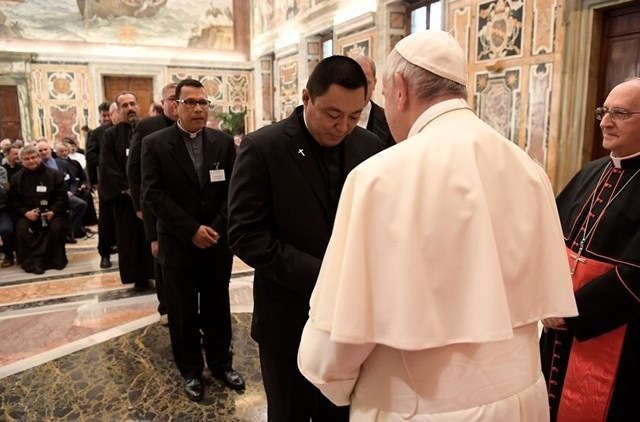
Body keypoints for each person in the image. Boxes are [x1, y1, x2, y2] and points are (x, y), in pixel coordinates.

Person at [296, 30, 578, 421]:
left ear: (399, 90)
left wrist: (330, 379)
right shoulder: (528, 169)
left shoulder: (379, 176)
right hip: (523, 401)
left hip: (422, 408)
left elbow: (339, 339)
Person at [227, 55, 386, 421]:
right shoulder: (263, 147)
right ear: (306, 98)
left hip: (349, 324)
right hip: (287, 319)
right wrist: (326, 276)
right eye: (332, 114)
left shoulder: (369, 147)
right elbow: (245, 234)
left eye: (354, 116)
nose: (342, 127)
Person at [540, 77, 640, 421]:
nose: (605, 122)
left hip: (615, 333)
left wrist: (571, 311)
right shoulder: (591, 172)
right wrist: (546, 295)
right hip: (558, 327)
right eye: (604, 112)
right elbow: (547, 238)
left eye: (620, 114)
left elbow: (636, 277)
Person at [141, 78, 245, 402]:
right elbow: (152, 193)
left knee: (217, 306)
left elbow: (233, 190)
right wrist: (190, 230)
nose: (199, 108)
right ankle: (190, 371)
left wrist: (214, 227)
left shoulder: (223, 142)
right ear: (176, 106)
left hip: (216, 241)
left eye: (203, 102)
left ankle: (221, 364)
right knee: (183, 311)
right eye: (191, 102)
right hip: (178, 243)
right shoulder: (155, 144)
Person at [127, 82, 178, 326]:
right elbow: (134, 168)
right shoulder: (147, 127)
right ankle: (165, 306)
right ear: (163, 102)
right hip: (155, 200)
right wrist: (139, 205)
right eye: (172, 98)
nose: (177, 103)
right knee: (161, 255)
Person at [100, 91, 153, 289]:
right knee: (130, 239)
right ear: (118, 110)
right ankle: (138, 277)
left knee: (152, 236)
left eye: (132, 103)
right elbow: (108, 166)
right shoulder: (110, 135)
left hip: (150, 195)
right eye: (125, 105)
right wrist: (127, 187)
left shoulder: (149, 129)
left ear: (138, 106)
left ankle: (156, 272)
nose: (130, 108)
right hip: (125, 199)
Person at [8, 145, 69, 274]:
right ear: (22, 161)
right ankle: (33, 262)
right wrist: (26, 213)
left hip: (51, 212)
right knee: (22, 230)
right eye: (27, 159)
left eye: (33, 157)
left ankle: (51, 261)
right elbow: (13, 202)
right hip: (27, 214)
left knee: (55, 228)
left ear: (39, 157)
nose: (31, 161)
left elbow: (62, 198)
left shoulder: (54, 175)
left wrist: (53, 211)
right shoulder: (16, 178)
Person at [37, 140, 87, 244]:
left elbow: (73, 179)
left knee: (81, 204)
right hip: (47, 197)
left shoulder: (62, 163)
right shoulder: (36, 166)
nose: (43, 152)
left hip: (65, 194)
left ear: (50, 150)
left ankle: (67, 229)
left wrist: (71, 191)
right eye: (40, 150)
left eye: (45, 149)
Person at [86, 101, 117, 268]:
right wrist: (94, 181)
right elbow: (91, 158)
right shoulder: (95, 133)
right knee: (106, 221)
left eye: (108, 115)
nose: (106, 118)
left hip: (125, 184)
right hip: (106, 183)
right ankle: (104, 254)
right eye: (104, 115)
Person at [353, 54, 396, 148]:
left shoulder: (390, 121)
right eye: (354, 82)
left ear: (374, 83)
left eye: (366, 82)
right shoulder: (329, 119)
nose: (360, 89)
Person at [0, 164, 14, 267]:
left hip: (2, 209)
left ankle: (9, 256)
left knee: (6, 230)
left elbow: (3, 191)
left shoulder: (1, 170)